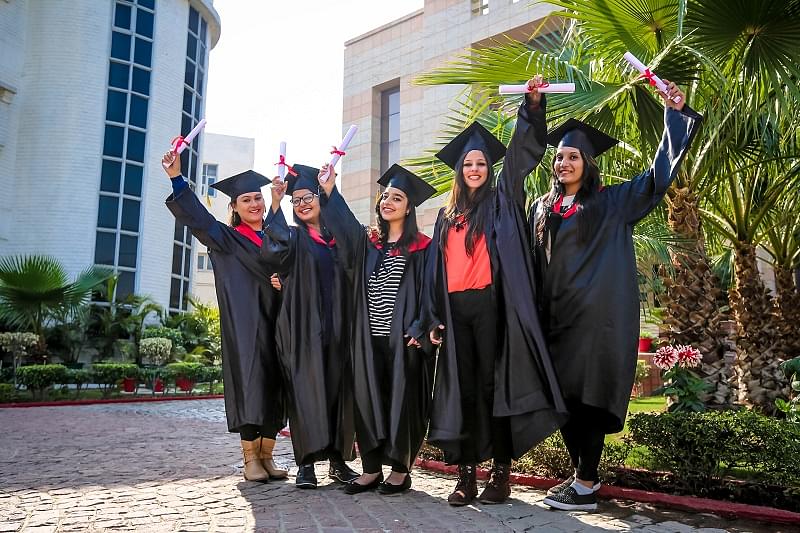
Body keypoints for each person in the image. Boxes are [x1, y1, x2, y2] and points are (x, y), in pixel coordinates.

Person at [530, 82, 702, 511]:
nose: (564, 163)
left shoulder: (613, 202)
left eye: (573, 156)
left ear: (588, 163)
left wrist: (674, 116)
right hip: (554, 319)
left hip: (595, 320)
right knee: (562, 400)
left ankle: (586, 483)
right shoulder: (542, 208)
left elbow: (657, 177)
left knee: (588, 397)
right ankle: (581, 477)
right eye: (560, 157)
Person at [421, 77, 567, 506]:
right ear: (459, 171)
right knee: (464, 391)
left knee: (494, 387)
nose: (475, 169)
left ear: (488, 170)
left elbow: (519, 157)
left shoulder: (501, 199)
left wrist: (532, 106)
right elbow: (434, 273)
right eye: (468, 164)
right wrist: (433, 316)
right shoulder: (446, 216)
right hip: (455, 312)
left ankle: (500, 474)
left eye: (481, 164)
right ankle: (466, 475)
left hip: (490, 307)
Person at [162, 151, 287, 483]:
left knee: (277, 385)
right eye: (246, 200)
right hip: (245, 325)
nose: (254, 204)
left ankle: (268, 456)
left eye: (257, 198)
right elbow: (198, 219)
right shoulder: (227, 239)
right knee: (249, 383)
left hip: (280, 321)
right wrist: (176, 178)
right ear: (234, 207)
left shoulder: (278, 235)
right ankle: (251, 459)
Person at [316, 163, 436, 495]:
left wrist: (420, 327)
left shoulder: (424, 247)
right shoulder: (368, 243)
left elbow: (431, 291)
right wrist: (329, 189)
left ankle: (399, 471)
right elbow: (343, 225)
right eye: (385, 196)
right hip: (368, 339)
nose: (388, 202)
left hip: (403, 341)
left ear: (409, 208)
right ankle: (371, 470)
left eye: (397, 198)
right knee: (367, 401)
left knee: (401, 405)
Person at [261, 164, 359, 489]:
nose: (302, 204)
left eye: (308, 197)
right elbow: (272, 252)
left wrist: (332, 189)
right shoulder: (293, 237)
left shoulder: (336, 237)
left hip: (339, 327)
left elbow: (357, 243)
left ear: (319, 197)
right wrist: (276, 203)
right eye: (296, 200)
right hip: (303, 330)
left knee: (337, 392)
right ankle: (305, 464)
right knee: (305, 393)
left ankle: (337, 461)